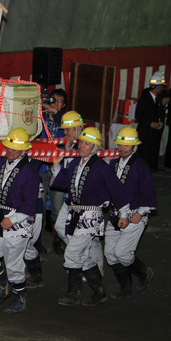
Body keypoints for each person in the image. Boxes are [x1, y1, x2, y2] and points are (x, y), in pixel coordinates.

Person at [50, 127, 131, 307]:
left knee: (72, 253)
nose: (82, 146)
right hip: (74, 213)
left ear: (95, 148)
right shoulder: (74, 164)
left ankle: (73, 293)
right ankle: (99, 291)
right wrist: (56, 165)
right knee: (82, 254)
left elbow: (118, 191)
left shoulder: (102, 168)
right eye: (81, 142)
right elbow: (61, 182)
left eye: (87, 143)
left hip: (91, 215)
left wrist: (124, 214)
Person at [0, 128, 39, 313]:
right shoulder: (0, 164)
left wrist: (13, 219)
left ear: (24, 149)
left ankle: (21, 296)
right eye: (9, 147)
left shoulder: (30, 173)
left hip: (19, 219)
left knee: (13, 265)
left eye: (15, 148)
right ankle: (2, 286)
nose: (10, 150)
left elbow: (30, 204)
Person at [105, 127, 157, 299]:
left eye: (126, 146)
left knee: (122, 254)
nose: (122, 148)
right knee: (110, 255)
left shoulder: (141, 166)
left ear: (134, 147)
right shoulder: (112, 164)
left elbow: (148, 192)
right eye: (120, 145)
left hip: (134, 215)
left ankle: (144, 273)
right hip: (115, 214)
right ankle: (125, 289)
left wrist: (141, 213)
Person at [53, 111, 103, 270]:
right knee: (61, 228)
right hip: (71, 199)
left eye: (68, 129)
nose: (65, 133)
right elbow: (68, 175)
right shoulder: (74, 145)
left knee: (87, 237)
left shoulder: (89, 143)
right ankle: (81, 256)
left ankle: (91, 265)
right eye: (65, 130)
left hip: (87, 202)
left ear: (79, 128)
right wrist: (68, 151)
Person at [40, 89, 68, 254]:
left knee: (57, 209)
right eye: (54, 100)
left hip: (59, 168)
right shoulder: (40, 117)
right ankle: (38, 241)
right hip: (43, 167)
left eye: (60, 101)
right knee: (40, 208)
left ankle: (57, 241)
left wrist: (57, 115)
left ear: (64, 105)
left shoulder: (66, 120)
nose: (56, 103)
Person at [135, 71, 168, 171]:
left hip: (155, 131)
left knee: (154, 149)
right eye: (161, 87)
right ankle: (143, 170)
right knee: (144, 152)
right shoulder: (144, 99)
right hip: (145, 131)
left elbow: (161, 113)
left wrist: (161, 122)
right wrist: (150, 123)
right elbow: (138, 115)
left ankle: (152, 166)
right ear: (157, 87)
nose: (162, 89)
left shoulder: (158, 99)